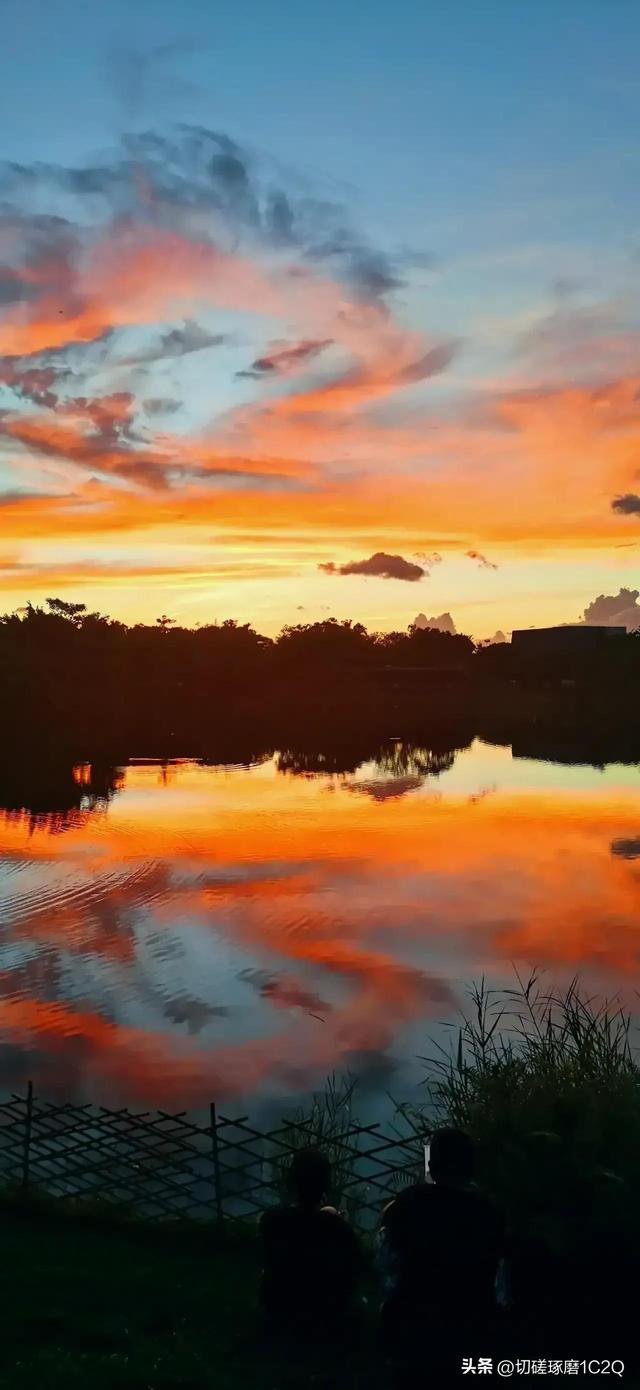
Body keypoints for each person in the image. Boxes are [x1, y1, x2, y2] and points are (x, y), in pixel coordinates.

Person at [379, 1128, 504, 1376]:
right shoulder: (489, 1214)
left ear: (432, 1165)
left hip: (412, 1337)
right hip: (472, 1336)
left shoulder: (407, 1205)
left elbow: (386, 1265)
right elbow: (500, 1284)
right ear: (471, 1167)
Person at [260, 1145, 362, 1339]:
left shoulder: (271, 1221)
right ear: (326, 1185)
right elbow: (352, 1276)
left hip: (280, 1311)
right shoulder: (339, 1229)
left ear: (292, 1182)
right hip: (326, 1317)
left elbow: (266, 1262)